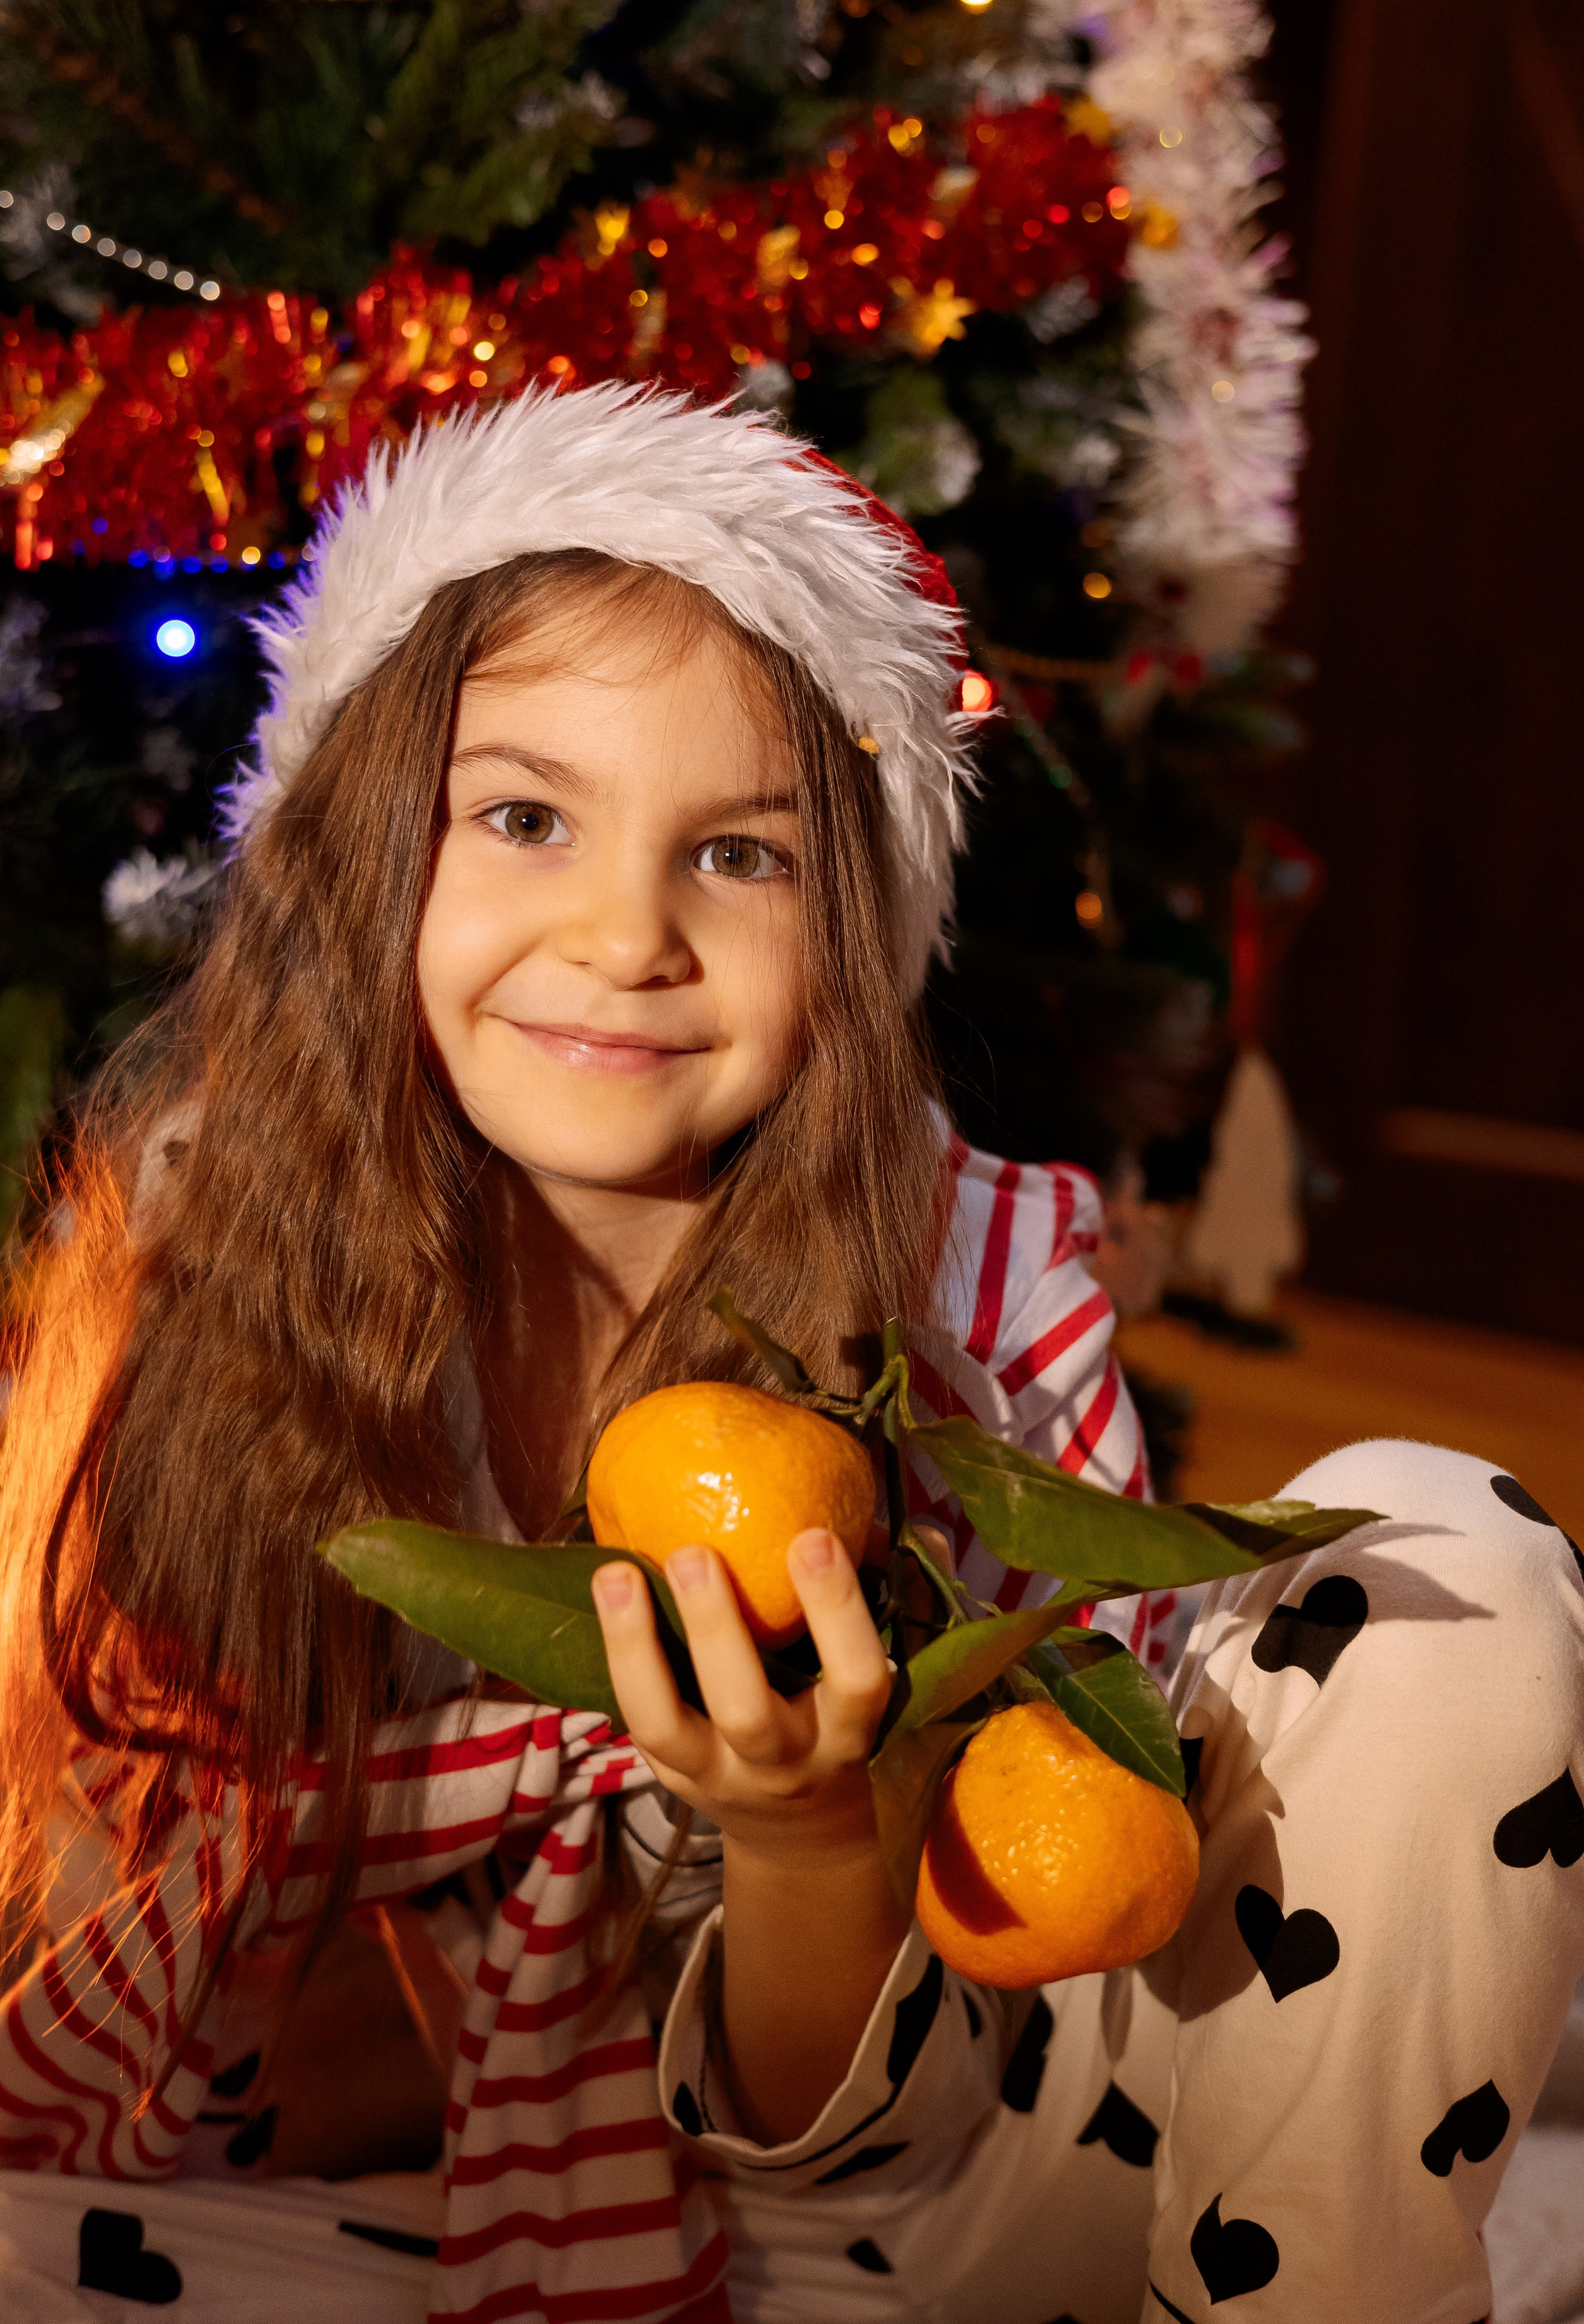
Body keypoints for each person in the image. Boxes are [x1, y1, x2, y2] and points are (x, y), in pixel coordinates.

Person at [0, 386, 1577, 2324]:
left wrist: (804, 1830)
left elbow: (899, 2098)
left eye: (739, 856)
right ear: (360, 856)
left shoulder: (976, 1290)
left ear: (852, 927)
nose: (625, 936)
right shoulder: (197, 1259)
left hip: (963, 2168)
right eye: (525, 818)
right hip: (447, 2184)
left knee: (1440, 1561)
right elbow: (164, 1993)